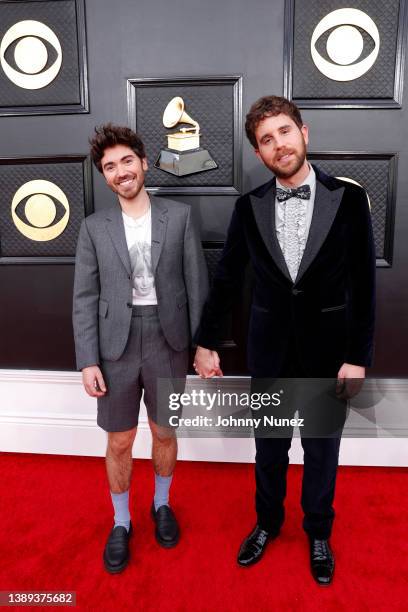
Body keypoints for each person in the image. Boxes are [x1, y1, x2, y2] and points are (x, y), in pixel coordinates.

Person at [193, 96, 375, 585]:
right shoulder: (247, 207)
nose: (279, 145)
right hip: (269, 350)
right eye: (266, 140)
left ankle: (318, 531)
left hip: (328, 353)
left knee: (321, 450)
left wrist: (357, 357)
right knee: (269, 449)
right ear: (259, 153)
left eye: (284, 132)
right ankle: (267, 523)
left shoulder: (350, 200)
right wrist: (207, 341)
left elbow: (363, 282)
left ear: (304, 133)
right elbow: (228, 279)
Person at [73, 124, 208, 573]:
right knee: (120, 440)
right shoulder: (93, 228)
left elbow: (197, 285)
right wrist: (88, 358)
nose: (119, 171)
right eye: (109, 167)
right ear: (105, 176)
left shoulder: (181, 216)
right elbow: (85, 297)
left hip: (168, 340)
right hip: (115, 347)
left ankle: (162, 505)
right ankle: (122, 521)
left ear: (144, 163)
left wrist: (201, 344)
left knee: (165, 433)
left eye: (126, 161)